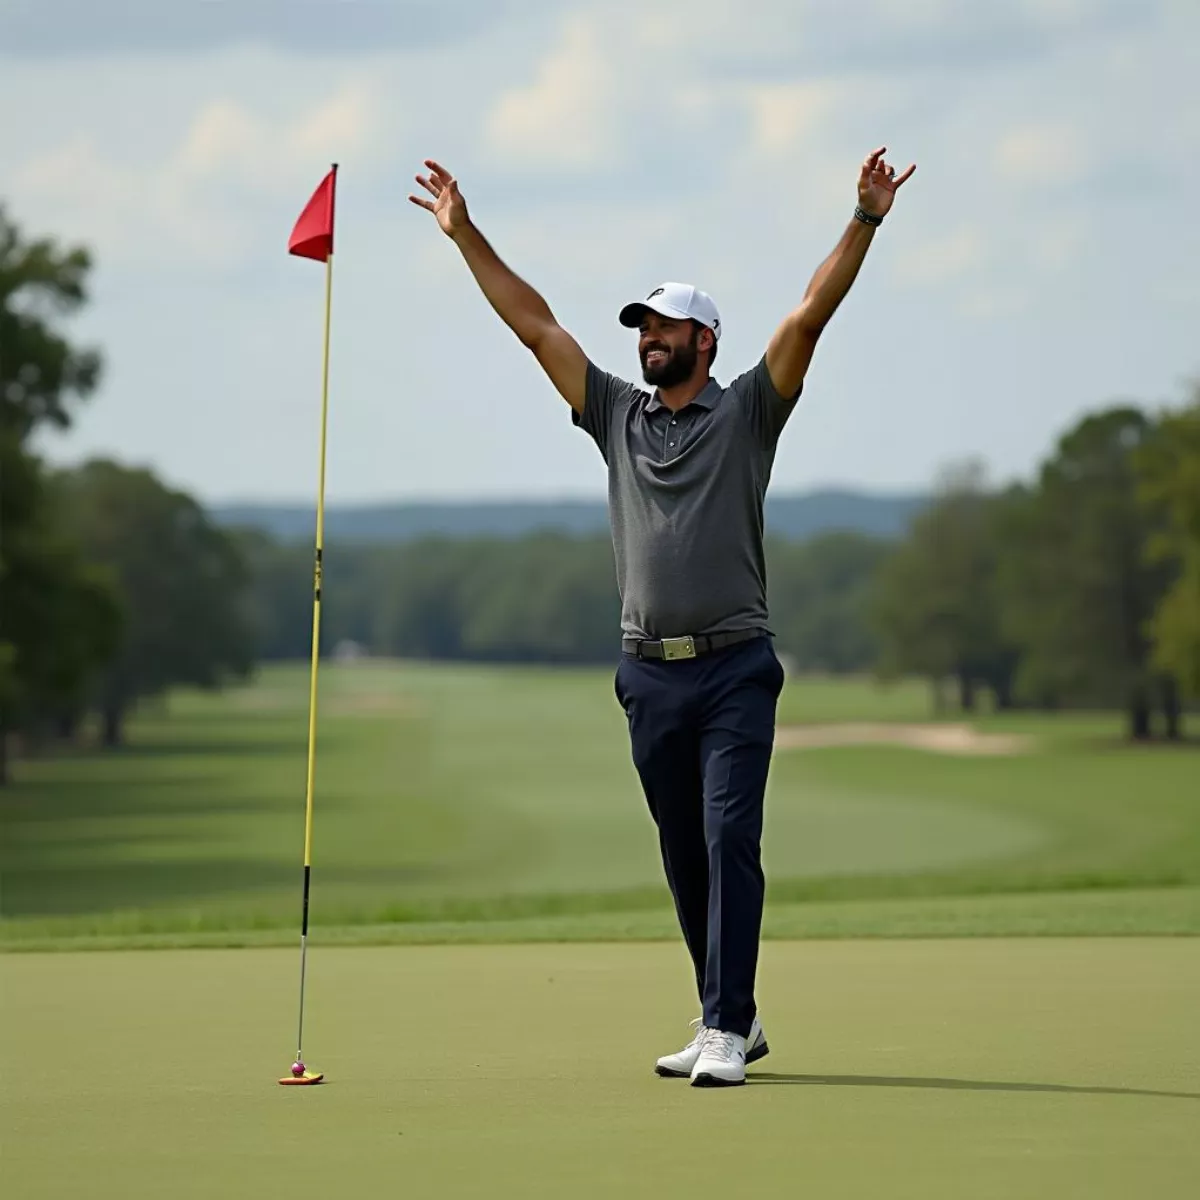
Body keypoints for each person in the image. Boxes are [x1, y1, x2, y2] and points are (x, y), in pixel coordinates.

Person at [410, 147, 915, 1087]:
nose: (649, 339)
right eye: (643, 327)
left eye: (666, 327)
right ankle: (731, 1015)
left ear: (706, 342)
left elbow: (809, 316)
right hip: (647, 672)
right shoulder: (616, 415)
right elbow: (537, 328)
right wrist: (463, 234)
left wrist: (865, 220)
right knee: (685, 855)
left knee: (729, 836)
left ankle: (726, 1027)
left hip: (734, 665)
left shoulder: (750, 412)